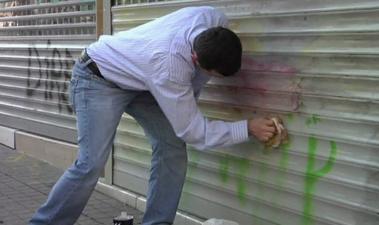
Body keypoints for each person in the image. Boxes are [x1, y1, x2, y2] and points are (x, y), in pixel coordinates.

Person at [29, 6, 278, 225]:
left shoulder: (213, 18)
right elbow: (194, 133)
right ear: (195, 59)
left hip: (143, 79)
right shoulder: (169, 67)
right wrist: (247, 128)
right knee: (90, 164)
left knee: (172, 148)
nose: (213, 79)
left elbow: (190, 91)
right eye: (214, 74)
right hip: (98, 78)